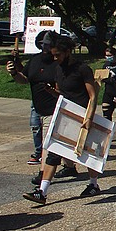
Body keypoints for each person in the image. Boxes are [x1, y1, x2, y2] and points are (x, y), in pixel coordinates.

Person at [23, 35, 101, 205]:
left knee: (87, 152)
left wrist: (89, 118)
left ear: (67, 52)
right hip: (66, 116)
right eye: (53, 55)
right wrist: (53, 92)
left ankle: (93, 184)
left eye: (58, 55)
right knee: (54, 151)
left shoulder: (82, 69)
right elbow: (64, 93)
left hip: (81, 116)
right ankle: (42, 192)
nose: (55, 58)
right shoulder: (59, 69)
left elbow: (93, 95)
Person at [7, 30, 60, 167]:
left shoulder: (58, 63)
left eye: (48, 45)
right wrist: (14, 73)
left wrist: (54, 91)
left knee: (49, 142)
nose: (45, 48)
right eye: (42, 44)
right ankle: (43, 156)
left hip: (54, 107)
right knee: (36, 127)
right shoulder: (35, 60)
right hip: (37, 106)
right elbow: (24, 79)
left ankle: (43, 175)